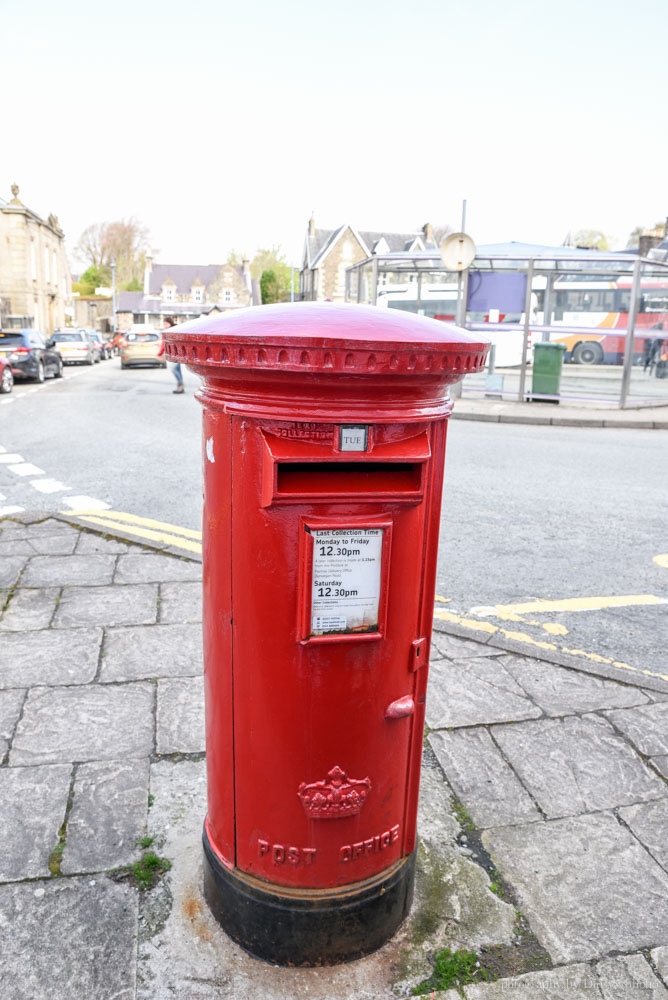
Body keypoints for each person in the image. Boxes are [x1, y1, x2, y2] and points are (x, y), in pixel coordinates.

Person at [163, 316, 183, 394]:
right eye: (164, 324)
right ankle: (181, 386)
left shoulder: (175, 330)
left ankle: (180, 385)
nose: (165, 326)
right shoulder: (169, 331)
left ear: (170, 323)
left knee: (174, 369)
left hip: (178, 353)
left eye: (166, 324)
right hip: (175, 353)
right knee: (177, 370)